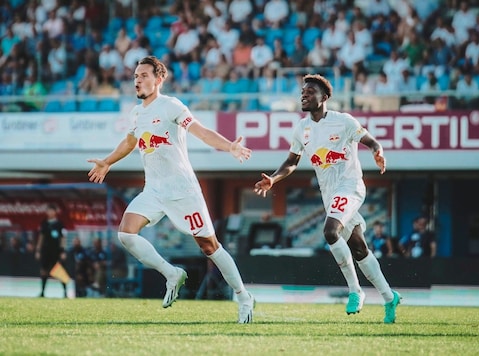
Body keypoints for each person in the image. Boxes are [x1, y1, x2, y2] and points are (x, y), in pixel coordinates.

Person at [87, 56, 255, 323]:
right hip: (154, 190)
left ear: (159, 79)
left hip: (183, 191)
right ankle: (172, 273)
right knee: (126, 234)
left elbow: (201, 131)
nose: (138, 80)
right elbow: (130, 142)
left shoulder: (170, 106)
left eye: (143, 75)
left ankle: (244, 296)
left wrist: (230, 147)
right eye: (135, 76)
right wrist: (107, 161)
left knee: (209, 247)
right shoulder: (137, 113)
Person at [253, 74, 401, 324]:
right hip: (329, 194)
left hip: (351, 186)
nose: (304, 95)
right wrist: (274, 179)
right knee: (359, 248)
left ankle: (355, 291)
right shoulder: (302, 128)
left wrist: (378, 152)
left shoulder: (343, 121)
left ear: (324, 97)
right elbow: (292, 162)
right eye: (303, 91)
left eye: (310, 91)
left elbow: (371, 141)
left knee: (330, 232)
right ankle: (389, 297)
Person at [35, 204, 67, 298]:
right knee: (44, 270)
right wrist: (38, 250)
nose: (50, 212)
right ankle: (42, 292)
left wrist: (62, 251)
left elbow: (62, 238)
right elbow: (41, 237)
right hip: (46, 250)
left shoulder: (59, 224)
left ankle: (65, 292)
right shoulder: (44, 223)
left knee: (59, 270)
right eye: (48, 211)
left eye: (52, 211)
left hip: (56, 251)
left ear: (55, 212)